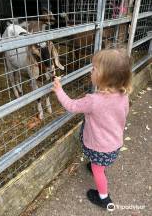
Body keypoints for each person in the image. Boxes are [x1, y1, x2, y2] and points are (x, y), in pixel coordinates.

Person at [52, 48, 132, 210]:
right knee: (99, 164)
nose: (91, 70)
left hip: (99, 146)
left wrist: (59, 90)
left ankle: (104, 198)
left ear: (105, 77)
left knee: (97, 170)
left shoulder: (93, 101)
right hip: (114, 144)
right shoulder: (124, 95)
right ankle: (98, 165)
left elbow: (71, 106)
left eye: (94, 68)